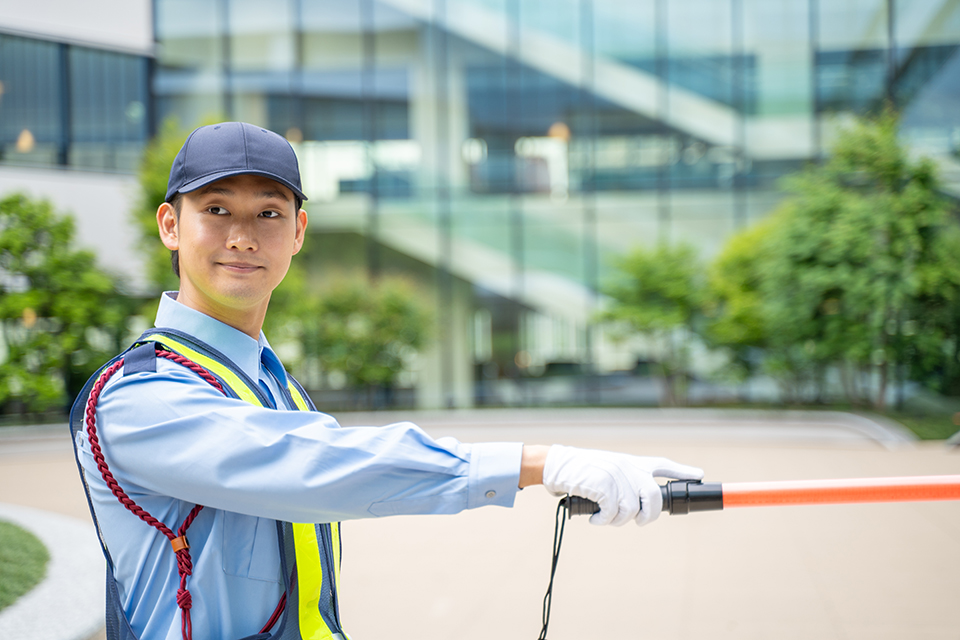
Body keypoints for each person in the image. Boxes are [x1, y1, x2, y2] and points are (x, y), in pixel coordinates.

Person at [70, 122, 704, 640]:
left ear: (297, 234)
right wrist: (539, 463)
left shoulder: (264, 382)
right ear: (170, 226)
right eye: (215, 210)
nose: (242, 236)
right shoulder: (139, 396)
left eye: (268, 212)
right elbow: (314, 465)